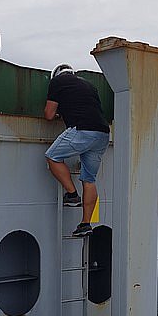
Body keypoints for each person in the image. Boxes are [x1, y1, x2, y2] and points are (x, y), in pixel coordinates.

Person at [44, 63, 110, 237]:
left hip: (82, 129)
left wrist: (58, 113)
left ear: (56, 75)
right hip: (103, 134)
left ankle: (72, 194)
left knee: (52, 157)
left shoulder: (57, 82)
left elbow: (49, 114)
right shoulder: (90, 86)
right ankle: (85, 224)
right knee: (89, 179)